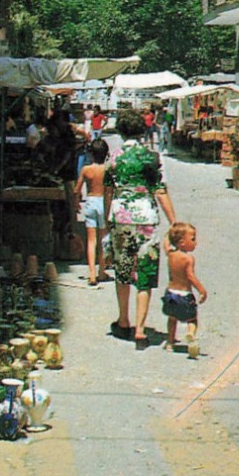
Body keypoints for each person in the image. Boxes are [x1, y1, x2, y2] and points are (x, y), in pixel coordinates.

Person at [103, 120, 176, 350]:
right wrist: (174, 221)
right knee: (145, 271)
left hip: (121, 217)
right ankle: (141, 330)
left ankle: (124, 321)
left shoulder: (113, 156)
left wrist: (108, 218)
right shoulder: (153, 157)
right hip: (146, 218)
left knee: (123, 270)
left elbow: (108, 190)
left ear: (122, 132)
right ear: (143, 132)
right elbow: (160, 190)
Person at [162, 221, 207, 358]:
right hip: (185, 294)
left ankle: (170, 342)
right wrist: (201, 290)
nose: (196, 242)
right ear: (182, 242)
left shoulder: (170, 254)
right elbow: (190, 276)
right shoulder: (188, 259)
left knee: (172, 318)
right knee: (192, 319)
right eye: (192, 239)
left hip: (170, 293)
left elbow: (165, 244)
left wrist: (168, 233)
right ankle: (191, 334)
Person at [73, 138, 110, 286]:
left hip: (90, 201)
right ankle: (102, 271)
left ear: (91, 154)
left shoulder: (86, 170)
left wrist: (76, 203)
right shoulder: (107, 170)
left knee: (91, 240)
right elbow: (109, 191)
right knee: (103, 240)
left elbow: (76, 189)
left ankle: (92, 274)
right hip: (103, 202)